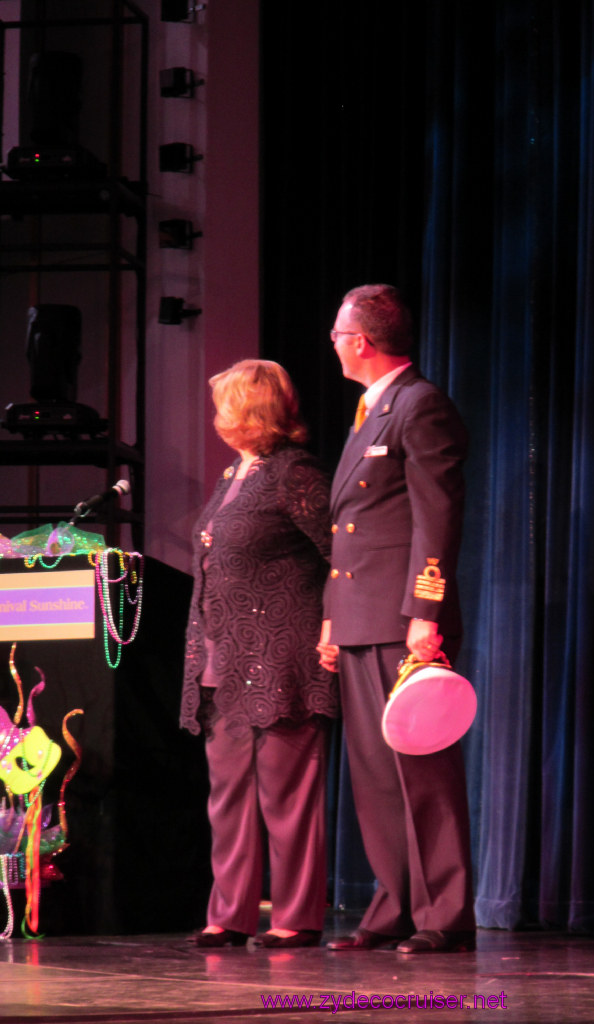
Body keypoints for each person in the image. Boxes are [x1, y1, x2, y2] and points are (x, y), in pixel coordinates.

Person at [317, 283, 476, 953]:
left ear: (364, 341)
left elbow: (434, 514)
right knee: (377, 776)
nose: (331, 342)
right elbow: (353, 526)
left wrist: (424, 612)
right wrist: (330, 618)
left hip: (402, 616)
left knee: (421, 771)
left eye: (337, 332)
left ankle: (444, 914)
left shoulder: (419, 404)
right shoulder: (368, 409)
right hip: (357, 616)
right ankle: (396, 905)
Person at [181, 359, 338, 949]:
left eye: (225, 404)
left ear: (251, 411)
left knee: (287, 794)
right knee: (228, 797)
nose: (217, 416)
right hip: (221, 659)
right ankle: (229, 912)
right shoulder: (233, 474)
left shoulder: (294, 473)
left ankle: (296, 915)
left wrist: (332, 629)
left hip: (282, 659)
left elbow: (340, 559)